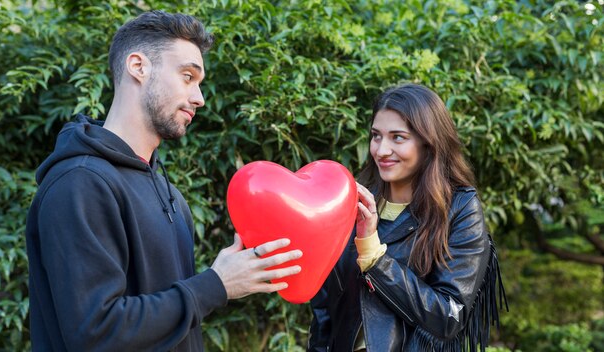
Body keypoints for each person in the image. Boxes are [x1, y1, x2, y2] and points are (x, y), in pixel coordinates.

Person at [25, 11, 303, 351]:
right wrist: (215, 285)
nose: (200, 98)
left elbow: (168, 322)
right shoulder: (80, 184)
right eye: (188, 77)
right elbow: (95, 332)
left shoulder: (168, 193)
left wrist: (228, 279)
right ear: (138, 67)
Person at [308, 84, 507, 351]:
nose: (382, 150)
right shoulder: (355, 200)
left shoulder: (459, 209)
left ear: (429, 143)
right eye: (376, 136)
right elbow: (325, 308)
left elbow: (449, 316)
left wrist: (374, 257)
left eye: (398, 137)